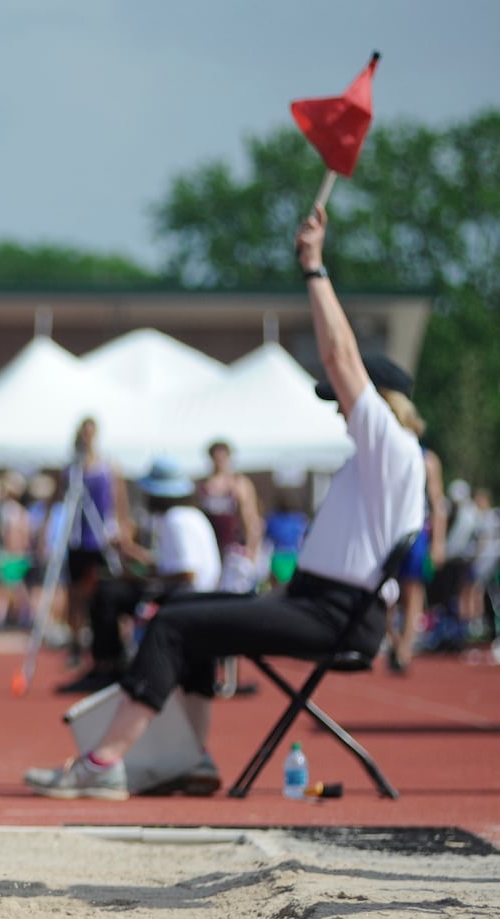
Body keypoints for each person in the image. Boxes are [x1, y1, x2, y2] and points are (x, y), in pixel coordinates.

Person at [21, 204, 426, 800]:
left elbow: (341, 359)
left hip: (335, 616)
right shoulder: (376, 459)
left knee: (174, 623)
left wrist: (313, 267)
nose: (338, 408)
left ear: (379, 400)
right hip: (318, 603)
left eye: (343, 400)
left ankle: (103, 764)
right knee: (191, 614)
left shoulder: (390, 444)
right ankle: (193, 760)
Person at [67, 457, 221, 695]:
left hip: (186, 597)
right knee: (111, 588)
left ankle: (107, 666)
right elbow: (172, 565)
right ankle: (111, 662)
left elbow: (186, 574)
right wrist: (134, 557)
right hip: (193, 592)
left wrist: (140, 580)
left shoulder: (175, 520)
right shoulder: (190, 516)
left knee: (106, 594)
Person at [43, 416, 134, 673]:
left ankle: (116, 642)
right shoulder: (71, 469)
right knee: (76, 594)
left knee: (107, 590)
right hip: (77, 538)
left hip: (102, 538)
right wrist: (45, 530)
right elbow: (56, 498)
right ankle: (75, 643)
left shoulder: (108, 466)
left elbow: (120, 500)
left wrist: (124, 528)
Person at [385, 426, 446, 674]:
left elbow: (437, 502)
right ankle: (394, 639)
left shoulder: (427, 460)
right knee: (385, 594)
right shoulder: (388, 455)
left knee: (413, 591)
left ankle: (405, 649)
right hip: (389, 531)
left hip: (416, 532)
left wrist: (438, 542)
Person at [196, 440, 264, 594]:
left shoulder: (238, 483)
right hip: (212, 543)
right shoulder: (204, 485)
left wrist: (252, 548)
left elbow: (250, 518)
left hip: (234, 545)